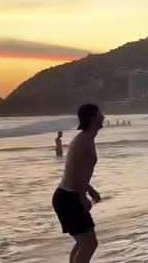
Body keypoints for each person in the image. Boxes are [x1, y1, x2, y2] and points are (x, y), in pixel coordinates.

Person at [52, 104, 104, 263]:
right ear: (92, 118)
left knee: (83, 243)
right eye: (100, 114)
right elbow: (74, 173)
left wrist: (90, 190)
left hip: (68, 196)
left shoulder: (86, 138)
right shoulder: (83, 141)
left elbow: (80, 172)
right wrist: (82, 197)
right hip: (69, 198)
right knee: (89, 244)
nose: (103, 117)